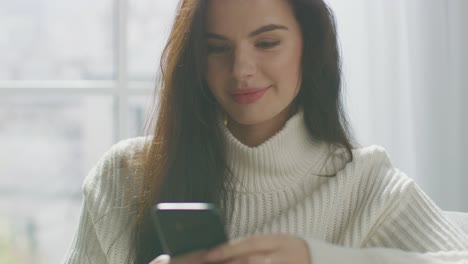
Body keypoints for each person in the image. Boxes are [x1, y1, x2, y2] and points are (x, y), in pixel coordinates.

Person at [62, 0, 468, 263]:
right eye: (217, 48)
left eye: (267, 43)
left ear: (311, 49)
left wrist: (317, 258)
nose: (241, 70)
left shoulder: (368, 185)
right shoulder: (123, 176)